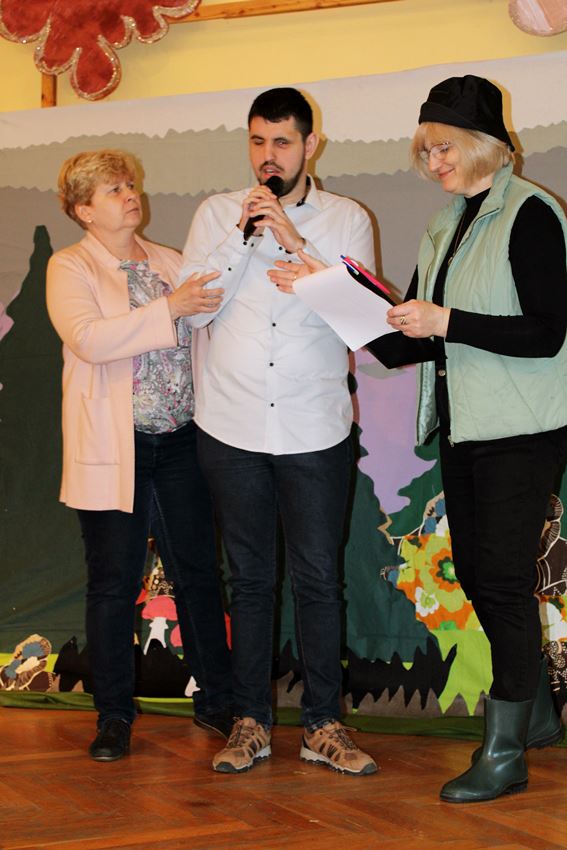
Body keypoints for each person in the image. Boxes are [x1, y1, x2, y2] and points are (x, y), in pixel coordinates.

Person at [273, 75, 567, 803]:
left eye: (444, 148)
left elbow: (546, 332)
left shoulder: (532, 214)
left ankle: (505, 752)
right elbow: (406, 341)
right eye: (425, 151)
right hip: (464, 427)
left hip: (523, 428)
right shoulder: (444, 224)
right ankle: (534, 712)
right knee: (478, 574)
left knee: (500, 580)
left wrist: (445, 322)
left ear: (486, 145)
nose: (433, 162)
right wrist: (327, 293)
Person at [179, 87, 378, 775]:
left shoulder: (346, 219)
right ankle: (249, 724)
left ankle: (323, 724)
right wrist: (246, 238)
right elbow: (193, 312)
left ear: (309, 145)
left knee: (319, 580)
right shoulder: (217, 214)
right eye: (258, 142)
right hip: (231, 426)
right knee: (251, 581)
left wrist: (300, 244)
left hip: (314, 427)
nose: (269, 156)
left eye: (283, 142)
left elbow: (362, 321)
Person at [46, 149, 233, 762]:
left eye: (130, 184)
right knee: (113, 585)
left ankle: (219, 702)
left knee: (198, 575)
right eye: (113, 190)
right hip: (115, 444)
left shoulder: (170, 262)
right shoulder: (69, 266)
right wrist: (170, 308)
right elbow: (89, 339)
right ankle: (113, 717)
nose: (131, 195)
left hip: (181, 440)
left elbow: (214, 321)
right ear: (83, 210)